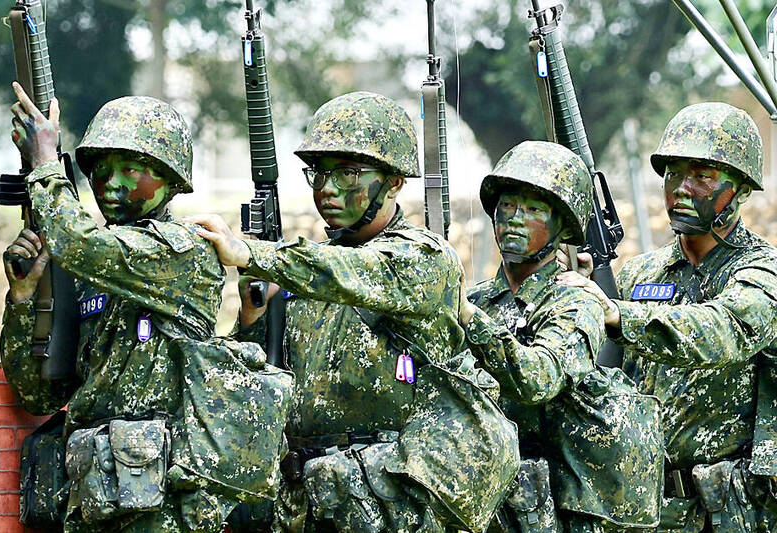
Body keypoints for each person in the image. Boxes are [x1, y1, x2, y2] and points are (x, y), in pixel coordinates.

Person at [188, 91, 519, 533]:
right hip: (311, 502)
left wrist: (251, 251)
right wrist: (253, 320)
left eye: (347, 174)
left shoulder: (422, 258)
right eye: (319, 174)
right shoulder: (306, 273)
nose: (327, 189)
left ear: (395, 181)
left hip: (393, 503)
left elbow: (352, 271)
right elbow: (254, 382)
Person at [0, 83, 273, 532]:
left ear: (170, 181)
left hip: (165, 501)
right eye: (101, 170)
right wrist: (25, 299)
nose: (111, 183)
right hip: (96, 494)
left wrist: (45, 164)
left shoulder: (181, 249)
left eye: (131, 169)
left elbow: (79, 241)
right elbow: (39, 395)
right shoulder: (90, 267)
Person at [559, 102, 777, 532]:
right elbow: (604, 379)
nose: (680, 188)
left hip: (733, 512)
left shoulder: (764, 271)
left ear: (742, 188)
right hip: (647, 508)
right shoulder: (641, 273)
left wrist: (617, 314)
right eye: (673, 173)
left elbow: (724, 329)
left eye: (702, 175)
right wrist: (575, 300)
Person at [459, 140, 663, 532]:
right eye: (507, 206)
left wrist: (467, 318)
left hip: (562, 511)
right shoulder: (479, 300)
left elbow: (538, 379)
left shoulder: (575, 299)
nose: (515, 219)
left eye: (534, 209)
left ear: (563, 226)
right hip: (492, 508)